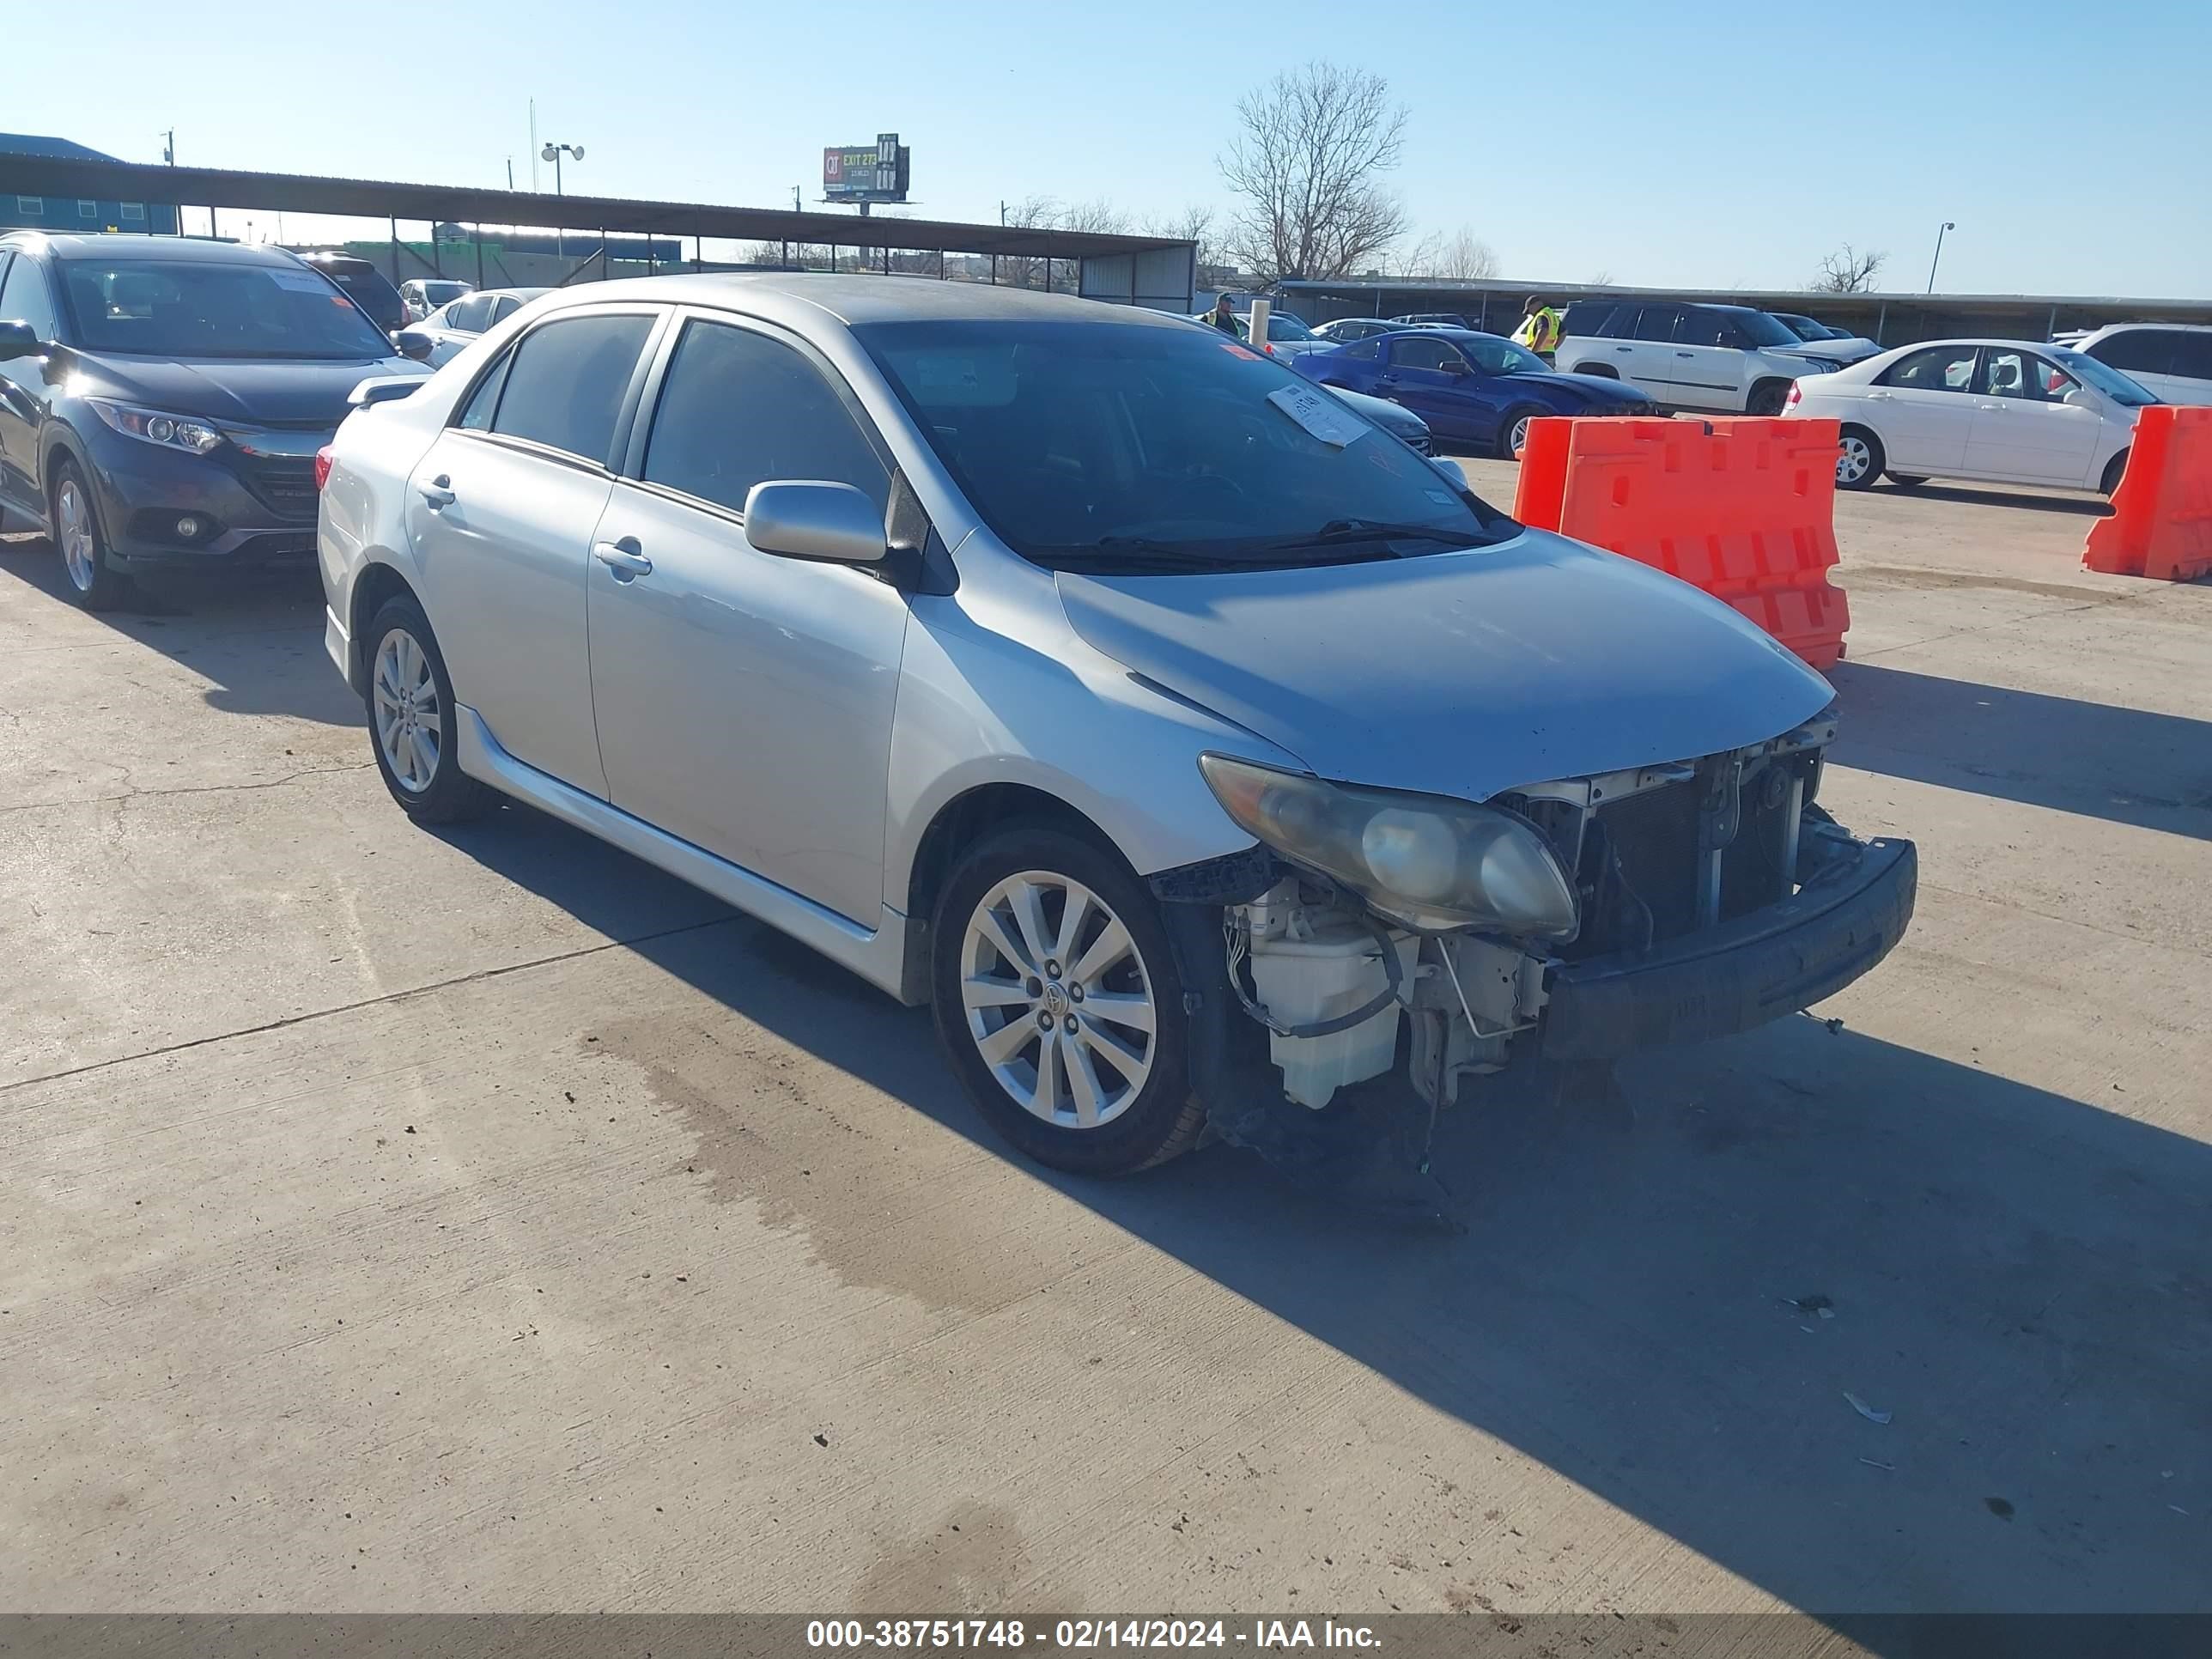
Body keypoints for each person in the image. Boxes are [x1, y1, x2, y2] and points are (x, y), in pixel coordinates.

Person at [1511, 295, 1565, 365]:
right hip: (1550, 355)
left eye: (1529, 309)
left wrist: (1533, 352)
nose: (1530, 313)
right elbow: (1564, 333)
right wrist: (1554, 348)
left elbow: (1543, 331)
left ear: (1535, 305)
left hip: (1539, 356)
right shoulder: (1553, 316)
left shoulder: (1542, 315)